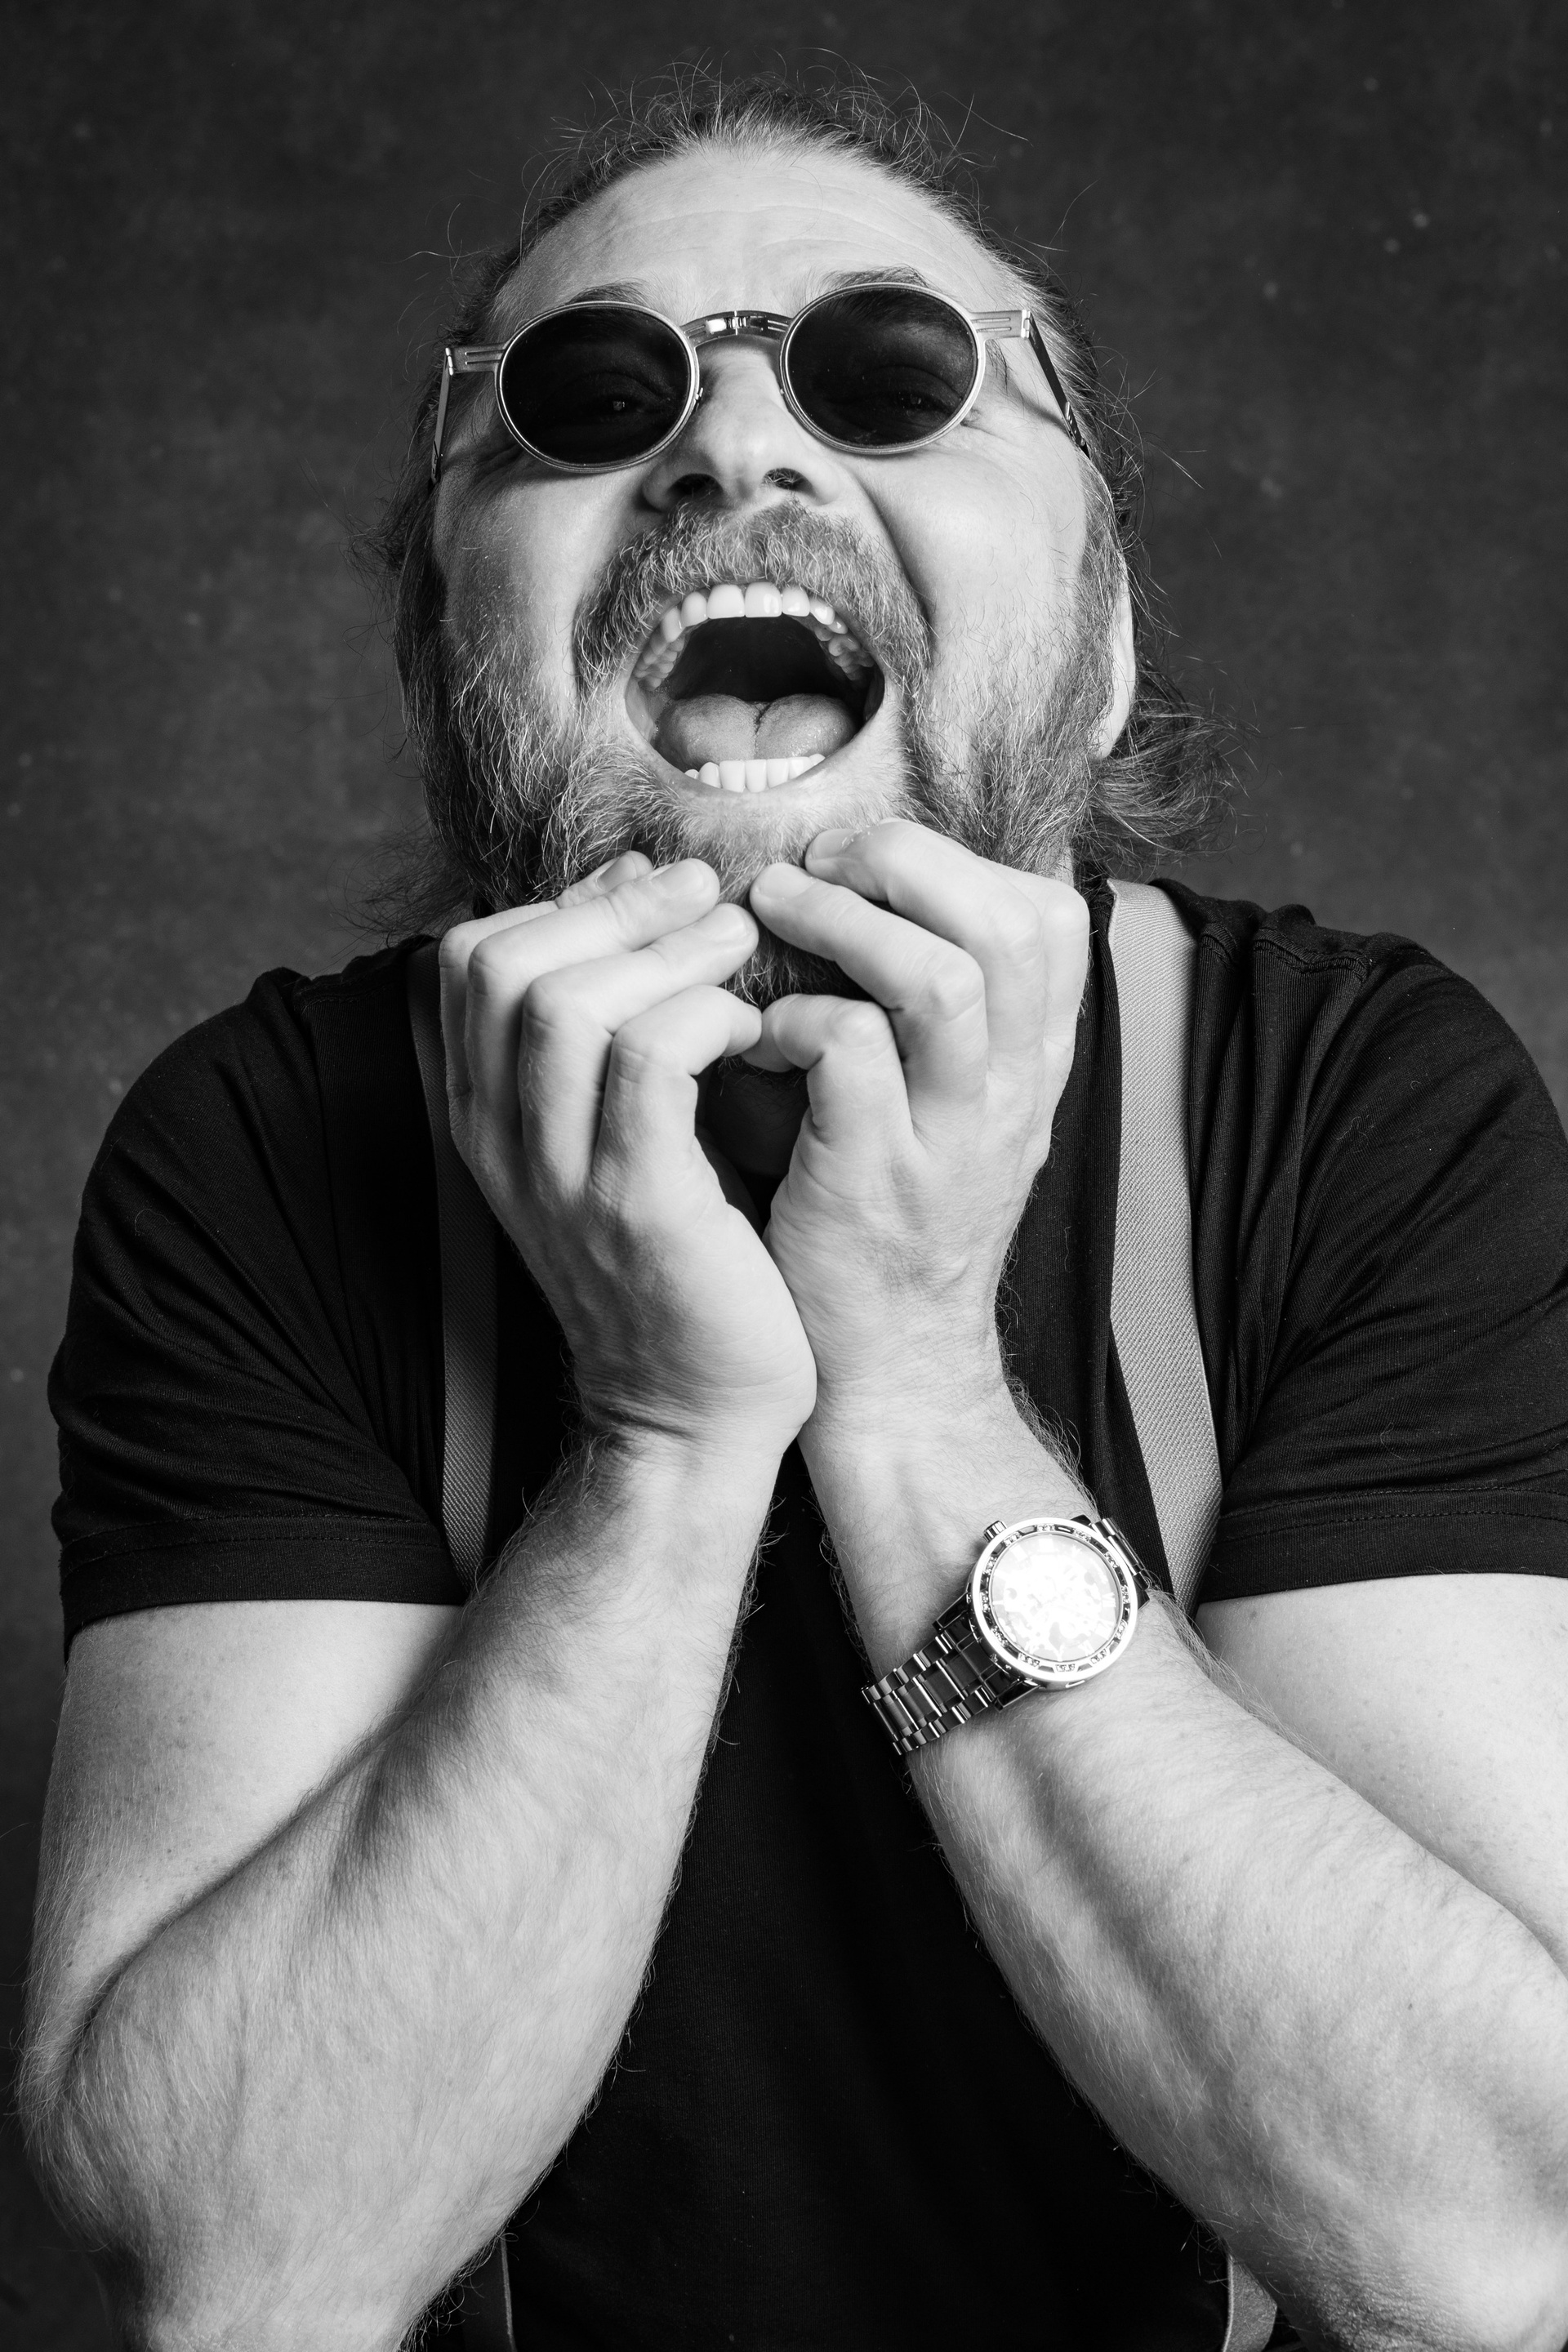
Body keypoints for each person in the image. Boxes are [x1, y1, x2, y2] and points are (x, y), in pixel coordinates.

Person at [21, 70, 1568, 2352]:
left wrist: (916, 1383)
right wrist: (665, 1444)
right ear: (451, 669)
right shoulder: (266, 1142)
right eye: (589, 396)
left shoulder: (1348, 1100)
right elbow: (238, 2265)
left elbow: (1483, 2236)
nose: (734, 448)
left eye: (892, 373)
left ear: (1102, 649)